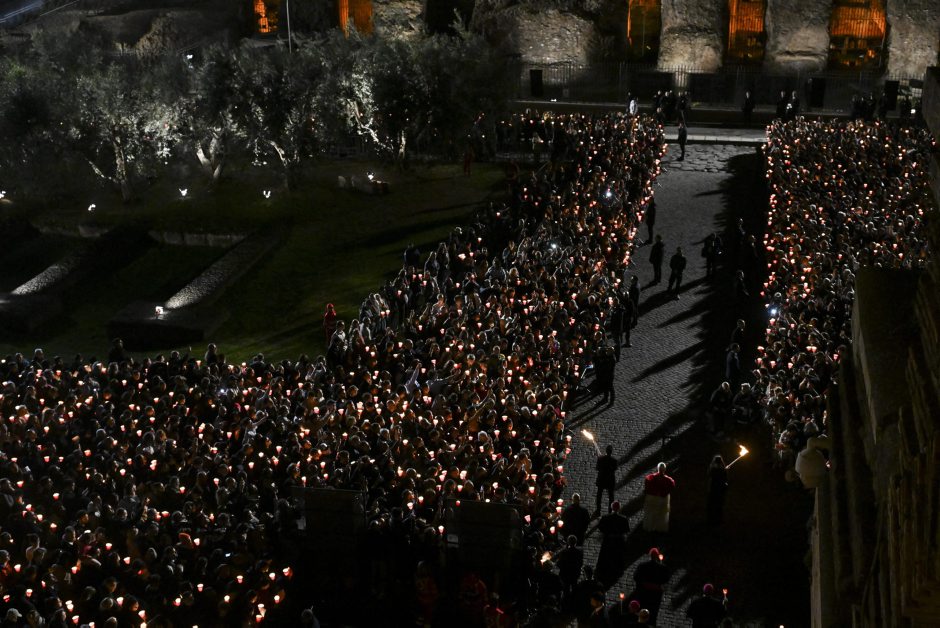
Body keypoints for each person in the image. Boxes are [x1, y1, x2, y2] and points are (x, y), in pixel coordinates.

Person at [595, 501, 630, 588]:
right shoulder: (624, 519)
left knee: (606, 555)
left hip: (608, 540)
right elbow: (626, 530)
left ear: (612, 508)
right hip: (618, 541)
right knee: (617, 556)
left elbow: (601, 528)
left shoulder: (605, 517)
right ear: (619, 508)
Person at [631, 548, 669, 624]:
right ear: (657, 556)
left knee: (642, 609)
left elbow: (636, 577)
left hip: (644, 592)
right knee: (653, 611)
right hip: (656, 593)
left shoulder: (642, 566)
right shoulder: (662, 568)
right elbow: (666, 579)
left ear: (650, 555)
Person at [643, 462, 675, 533]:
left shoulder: (650, 478)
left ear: (657, 468)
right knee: (662, 515)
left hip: (652, 499)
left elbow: (647, 488)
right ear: (665, 469)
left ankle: (650, 528)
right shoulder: (669, 480)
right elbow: (671, 487)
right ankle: (660, 529)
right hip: (663, 499)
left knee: (651, 514)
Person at [595, 445, 617, 515]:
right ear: (611, 452)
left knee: (599, 495)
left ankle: (598, 510)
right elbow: (615, 469)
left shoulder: (600, 459)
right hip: (610, 480)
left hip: (601, 479)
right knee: (611, 497)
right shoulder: (614, 460)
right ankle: (610, 511)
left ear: (606, 451)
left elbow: (597, 468)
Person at [706, 455, 728, 525]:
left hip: (716, 488)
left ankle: (715, 519)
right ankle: (715, 519)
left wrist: (725, 470)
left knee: (716, 504)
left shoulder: (713, 469)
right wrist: (724, 470)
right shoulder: (715, 469)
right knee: (717, 504)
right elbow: (723, 476)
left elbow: (724, 477)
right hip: (716, 488)